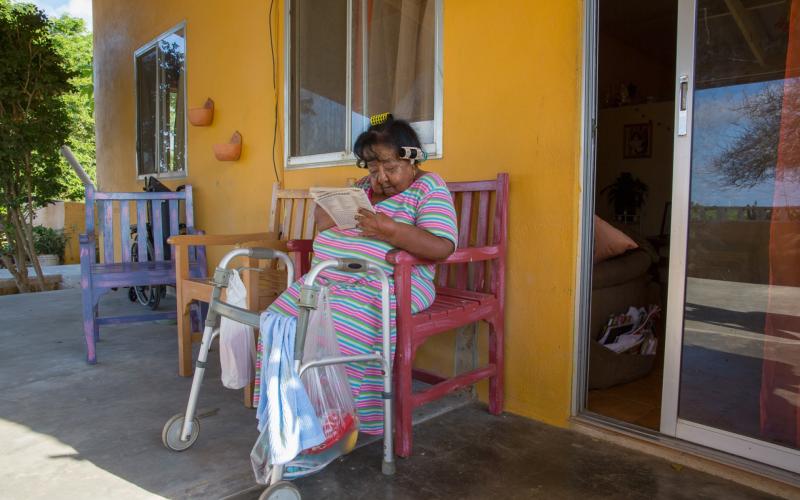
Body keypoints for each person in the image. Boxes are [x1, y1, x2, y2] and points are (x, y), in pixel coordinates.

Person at [255, 115, 457, 435]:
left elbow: (442, 246)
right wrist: (328, 212)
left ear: (413, 158)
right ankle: (289, 407)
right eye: (373, 169)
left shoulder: (429, 187)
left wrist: (389, 229)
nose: (381, 179)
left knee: (342, 324)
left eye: (390, 168)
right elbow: (334, 223)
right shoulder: (363, 188)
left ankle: (338, 416)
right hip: (332, 279)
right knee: (278, 320)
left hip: (395, 282)